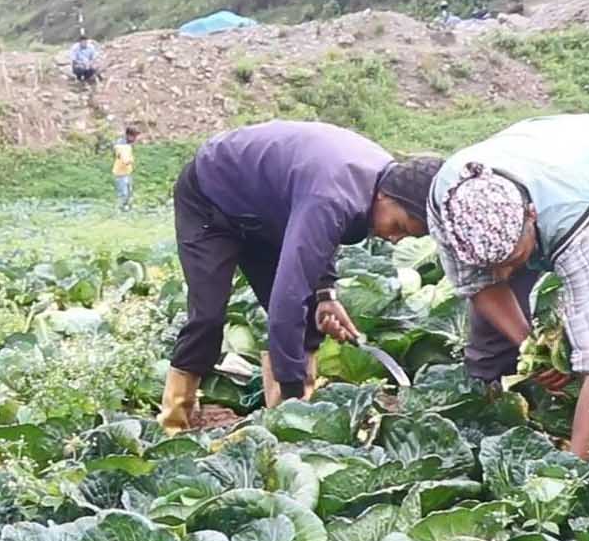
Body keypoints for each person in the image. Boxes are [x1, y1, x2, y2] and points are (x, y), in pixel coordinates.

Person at [159, 120, 442, 432]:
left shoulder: (378, 182)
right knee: (208, 316)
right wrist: (293, 390)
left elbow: (316, 241)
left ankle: (278, 426)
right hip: (210, 196)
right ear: (384, 198)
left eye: (406, 236)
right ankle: (174, 422)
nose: (395, 239)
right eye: (399, 226)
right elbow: (287, 299)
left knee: (307, 317)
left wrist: (326, 295)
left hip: (264, 212)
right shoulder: (334, 195)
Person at [426, 114, 589, 460]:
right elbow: (481, 285)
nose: (502, 275)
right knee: (491, 339)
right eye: (489, 265)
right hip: (540, 154)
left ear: (531, 216)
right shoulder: (448, 202)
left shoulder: (574, 218)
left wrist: (572, 476)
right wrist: (532, 350)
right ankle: (486, 419)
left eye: (512, 261)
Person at [112, 124, 138, 212]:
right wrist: (129, 160)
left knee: (129, 192)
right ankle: (121, 209)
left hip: (127, 172)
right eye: (134, 136)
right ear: (128, 135)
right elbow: (125, 159)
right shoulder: (120, 145)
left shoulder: (128, 145)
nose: (135, 139)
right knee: (123, 193)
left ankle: (127, 208)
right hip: (120, 173)